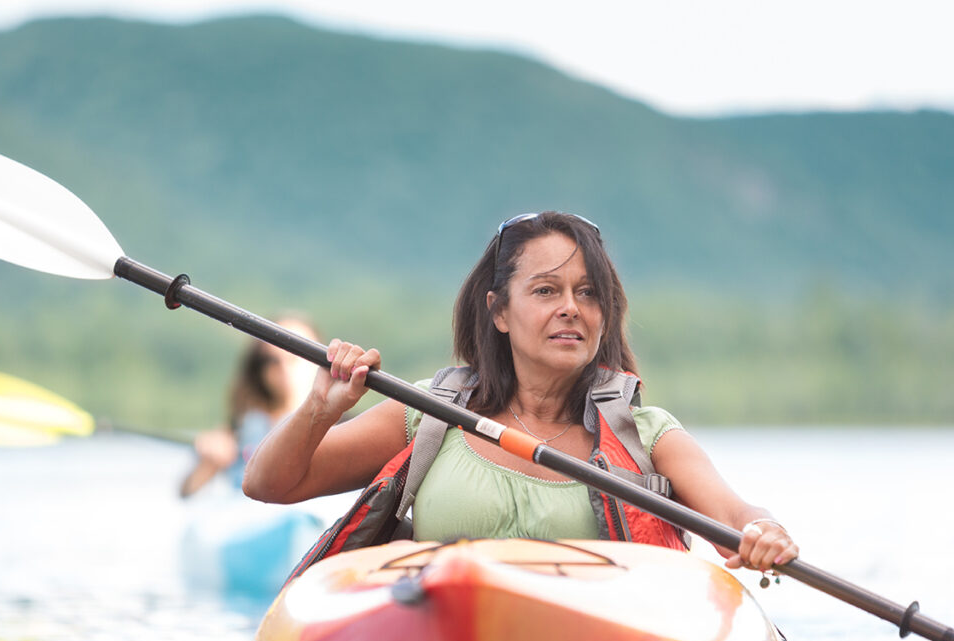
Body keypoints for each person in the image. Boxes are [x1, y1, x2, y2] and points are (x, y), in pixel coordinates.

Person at [243, 212, 798, 573]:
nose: (571, 308)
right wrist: (320, 409)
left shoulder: (647, 434)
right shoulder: (430, 415)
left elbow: (735, 520)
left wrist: (762, 532)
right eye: (545, 290)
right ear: (499, 311)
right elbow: (268, 483)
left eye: (587, 293)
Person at [179, 315, 320, 498]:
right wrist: (209, 462)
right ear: (260, 369)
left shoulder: (343, 424)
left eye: (295, 355)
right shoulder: (242, 428)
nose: (284, 368)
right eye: (273, 360)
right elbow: (186, 492)